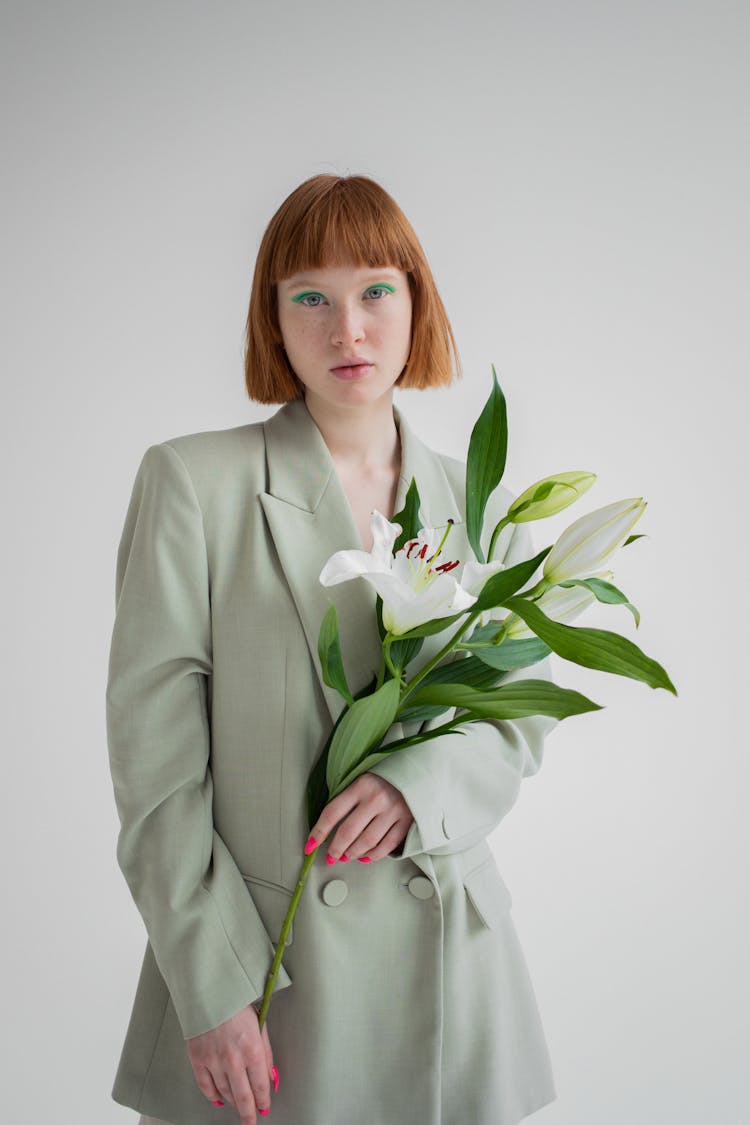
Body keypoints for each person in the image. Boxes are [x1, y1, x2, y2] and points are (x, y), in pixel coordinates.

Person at [106, 173, 559, 1125]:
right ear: (272, 320)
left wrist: (416, 787)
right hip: (266, 977)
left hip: (453, 984)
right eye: (309, 296)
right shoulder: (194, 483)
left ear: (416, 303)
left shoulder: (480, 502)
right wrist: (212, 985)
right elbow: (156, 767)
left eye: (375, 291)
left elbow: (516, 723)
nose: (346, 329)